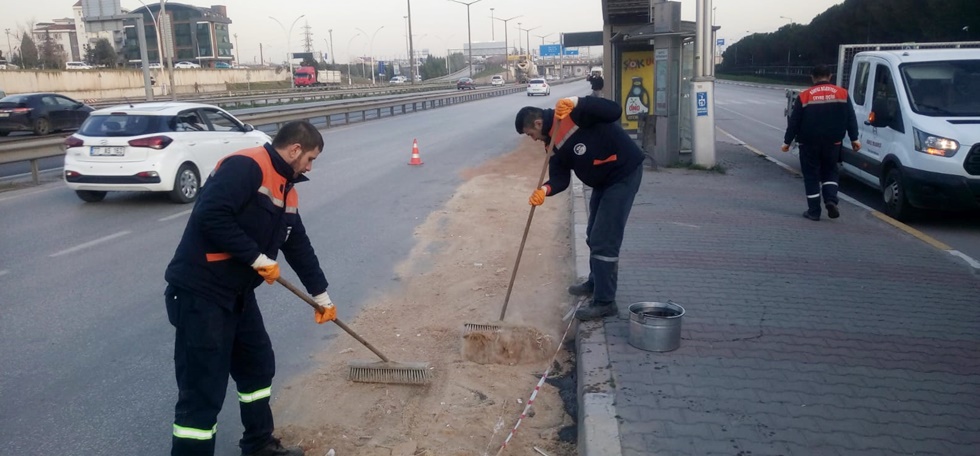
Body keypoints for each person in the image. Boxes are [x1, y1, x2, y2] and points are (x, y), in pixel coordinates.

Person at [164, 121, 337, 456]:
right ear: (295, 150)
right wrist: (256, 257)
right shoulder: (246, 166)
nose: (311, 167)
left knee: (258, 366)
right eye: (311, 158)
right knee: (203, 391)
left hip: (237, 293)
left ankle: (259, 445)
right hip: (201, 292)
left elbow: (297, 244)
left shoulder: (287, 188)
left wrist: (321, 295)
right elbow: (210, 216)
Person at [515, 96, 644, 320]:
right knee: (592, 233)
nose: (533, 139)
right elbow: (560, 178)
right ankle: (596, 282)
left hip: (623, 172)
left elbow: (613, 110)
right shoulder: (552, 143)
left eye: (530, 134)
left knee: (604, 238)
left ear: (537, 124)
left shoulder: (572, 114)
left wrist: (578, 101)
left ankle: (605, 302)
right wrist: (544, 190)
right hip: (603, 181)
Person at [782, 64, 860, 221]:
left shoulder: (805, 96)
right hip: (833, 142)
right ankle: (831, 200)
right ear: (830, 76)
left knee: (811, 176)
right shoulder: (842, 93)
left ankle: (814, 211)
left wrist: (787, 141)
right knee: (830, 171)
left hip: (808, 143)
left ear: (812, 77)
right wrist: (854, 138)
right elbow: (851, 118)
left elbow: (795, 121)